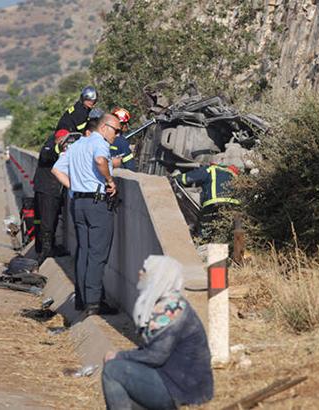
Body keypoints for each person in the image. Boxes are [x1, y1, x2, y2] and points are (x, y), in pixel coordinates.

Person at [102, 255, 214, 409]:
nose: (140, 273)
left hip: (181, 390)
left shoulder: (170, 310)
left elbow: (155, 356)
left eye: (145, 270)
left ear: (158, 277)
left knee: (112, 370)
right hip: (176, 381)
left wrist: (119, 356)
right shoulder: (169, 302)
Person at [51, 113, 122, 315]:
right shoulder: (99, 142)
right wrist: (109, 180)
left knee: (83, 251)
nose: (117, 135)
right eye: (116, 130)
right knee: (97, 253)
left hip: (78, 202)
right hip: (96, 203)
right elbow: (100, 160)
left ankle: (82, 299)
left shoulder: (75, 146)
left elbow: (56, 170)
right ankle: (94, 302)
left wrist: (74, 186)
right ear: (104, 127)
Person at [175, 160, 241, 240]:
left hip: (214, 204)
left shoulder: (211, 169)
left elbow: (189, 178)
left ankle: (201, 243)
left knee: (205, 227)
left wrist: (178, 177)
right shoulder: (235, 175)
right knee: (227, 229)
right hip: (234, 207)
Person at [32, 129, 70, 265]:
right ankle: (45, 249)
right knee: (47, 221)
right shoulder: (49, 146)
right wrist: (59, 148)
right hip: (47, 189)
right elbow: (46, 155)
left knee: (51, 220)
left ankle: (47, 247)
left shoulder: (63, 150)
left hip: (53, 190)